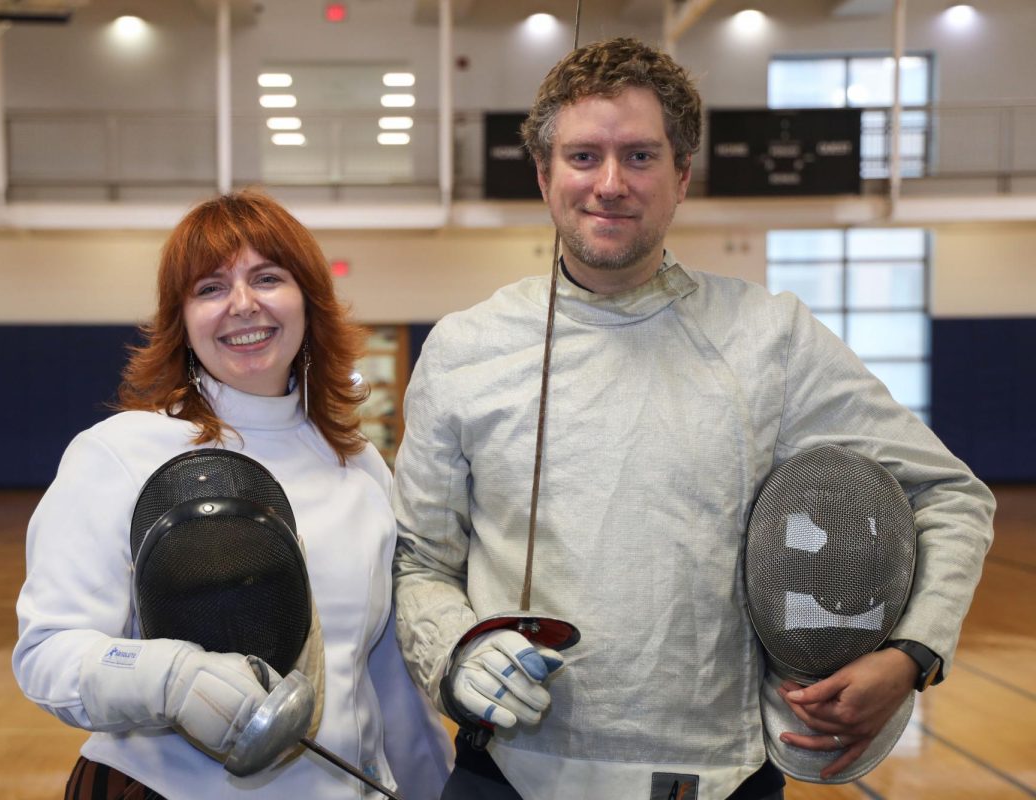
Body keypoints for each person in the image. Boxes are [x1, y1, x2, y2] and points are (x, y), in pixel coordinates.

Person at [391, 37, 994, 800]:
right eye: (583, 157)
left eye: (640, 157)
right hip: (509, 770)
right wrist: (455, 652)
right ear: (544, 177)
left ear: (681, 176)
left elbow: (949, 493)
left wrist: (911, 652)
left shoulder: (769, 337)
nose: (610, 184)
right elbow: (419, 560)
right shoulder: (465, 349)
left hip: (717, 775)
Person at [13, 189, 452, 800]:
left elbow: (382, 678)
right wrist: (170, 679)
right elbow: (47, 655)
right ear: (182, 319)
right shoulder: (120, 453)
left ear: (307, 300)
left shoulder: (357, 465)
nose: (242, 306)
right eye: (210, 288)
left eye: (267, 278)